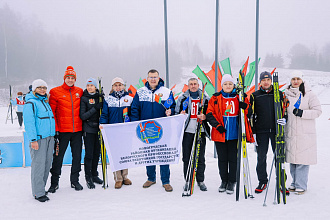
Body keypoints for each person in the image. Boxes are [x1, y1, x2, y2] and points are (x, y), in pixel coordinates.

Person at [206, 74, 253, 194]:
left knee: (233, 159)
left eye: (230, 84)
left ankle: (232, 181)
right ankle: (224, 180)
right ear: (222, 85)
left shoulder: (239, 97)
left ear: (233, 85)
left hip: (234, 134)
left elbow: (249, 112)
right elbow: (209, 113)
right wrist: (217, 126)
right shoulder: (216, 98)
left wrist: (245, 106)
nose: (228, 86)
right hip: (220, 133)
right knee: (222, 159)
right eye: (225, 84)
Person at [130, 69, 176, 192]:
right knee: (149, 154)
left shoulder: (166, 92)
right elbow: (135, 109)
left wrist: (170, 111)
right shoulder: (140, 92)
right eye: (151, 77)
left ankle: (165, 181)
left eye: (155, 77)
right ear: (147, 78)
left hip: (163, 129)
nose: (153, 79)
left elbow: (173, 106)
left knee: (163, 155)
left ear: (159, 78)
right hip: (146, 130)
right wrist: (136, 124)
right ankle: (151, 178)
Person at [248, 71, 288, 194]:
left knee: (279, 157)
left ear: (271, 81)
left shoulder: (280, 95)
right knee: (261, 157)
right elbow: (251, 115)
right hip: (261, 131)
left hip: (277, 130)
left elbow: (285, 108)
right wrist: (253, 132)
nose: (266, 82)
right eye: (263, 80)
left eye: (268, 80)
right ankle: (262, 181)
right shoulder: (255, 96)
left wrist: (285, 118)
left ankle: (281, 182)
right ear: (260, 82)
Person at [284, 70, 322, 195]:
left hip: (304, 133)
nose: (295, 81)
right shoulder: (286, 94)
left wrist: (302, 113)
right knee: (293, 160)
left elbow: (317, 111)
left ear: (302, 80)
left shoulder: (309, 94)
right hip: (290, 131)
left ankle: (301, 184)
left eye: (298, 79)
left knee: (302, 160)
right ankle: (294, 183)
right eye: (293, 79)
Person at [48, 66, 84, 193]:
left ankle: (75, 181)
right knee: (58, 157)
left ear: (75, 79)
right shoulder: (55, 92)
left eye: (72, 78)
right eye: (68, 78)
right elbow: (52, 113)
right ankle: (54, 182)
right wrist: (56, 130)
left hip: (77, 131)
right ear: (64, 78)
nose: (70, 80)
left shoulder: (80, 91)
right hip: (62, 132)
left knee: (77, 157)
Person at [175, 78, 210, 191]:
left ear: (198, 85)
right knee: (187, 157)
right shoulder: (183, 98)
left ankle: (200, 180)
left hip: (200, 131)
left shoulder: (205, 98)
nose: (193, 86)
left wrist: (205, 117)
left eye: (195, 84)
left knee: (200, 157)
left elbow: (210, 113)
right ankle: (188, 179)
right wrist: (181, 114)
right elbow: (176, 113)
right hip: (187, 132)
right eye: (191, 84)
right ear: (188, 86)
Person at [23, 79, 55, 202]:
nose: (42, 89)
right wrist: (33, 140)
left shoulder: (45, 102)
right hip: (39, 139)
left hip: (49, 138)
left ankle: (41, 188)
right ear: (34, 89)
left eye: (44, 87)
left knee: (47, 165)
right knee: (38, 165)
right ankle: (38, 192)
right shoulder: (31, 103)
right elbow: (29, 123)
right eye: (39, 87)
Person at [99, 77, 133, 189]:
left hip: (125, 131)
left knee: (125, 154)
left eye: (120, 85)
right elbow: (104, 114)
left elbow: (133, 113)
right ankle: (118, 178)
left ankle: (125, 176)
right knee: (115, 155)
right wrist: (102, 124)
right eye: (115, 85)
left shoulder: (129, 98)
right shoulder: (108, 99)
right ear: (112, 87)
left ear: (123, 86)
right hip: (113, 131)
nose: (118, 87)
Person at [80, 78, 104, 189]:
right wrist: (95, 108)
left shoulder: (99, 97)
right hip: (88, 129)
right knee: (89, 154)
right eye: (88, 85)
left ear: (95, 87)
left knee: (96, 153)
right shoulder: (84, 98)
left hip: (98, 129)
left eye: (91, 85)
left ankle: (94, 174)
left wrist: (102, 103)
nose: (89, 87)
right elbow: (83, 116)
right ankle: (88, 177)